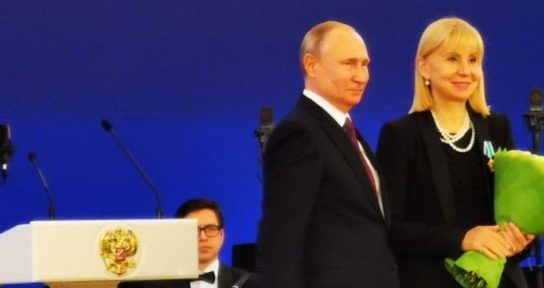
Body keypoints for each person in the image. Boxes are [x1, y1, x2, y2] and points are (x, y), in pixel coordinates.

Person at [376, 17, 534, 288]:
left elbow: (515, 210)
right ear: (423, 67)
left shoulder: (497, 127)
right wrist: (463, 238)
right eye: (452, 59)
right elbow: (392, 228)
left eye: (473, 60)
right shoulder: (400, 135)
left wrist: (521, 238)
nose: (465, 70)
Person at [256, 21, 399, 288]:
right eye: (349, 63)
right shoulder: (299, 134)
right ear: (311, 65)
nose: (362, 76)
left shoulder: (348, 134)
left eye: (365, 64)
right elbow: (281, 240)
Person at [118, 198, 256, 288]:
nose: (203, 237)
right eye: (194, 230)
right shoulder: (153, 285)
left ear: (222, 236)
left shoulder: (249, 283)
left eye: (211, 229)